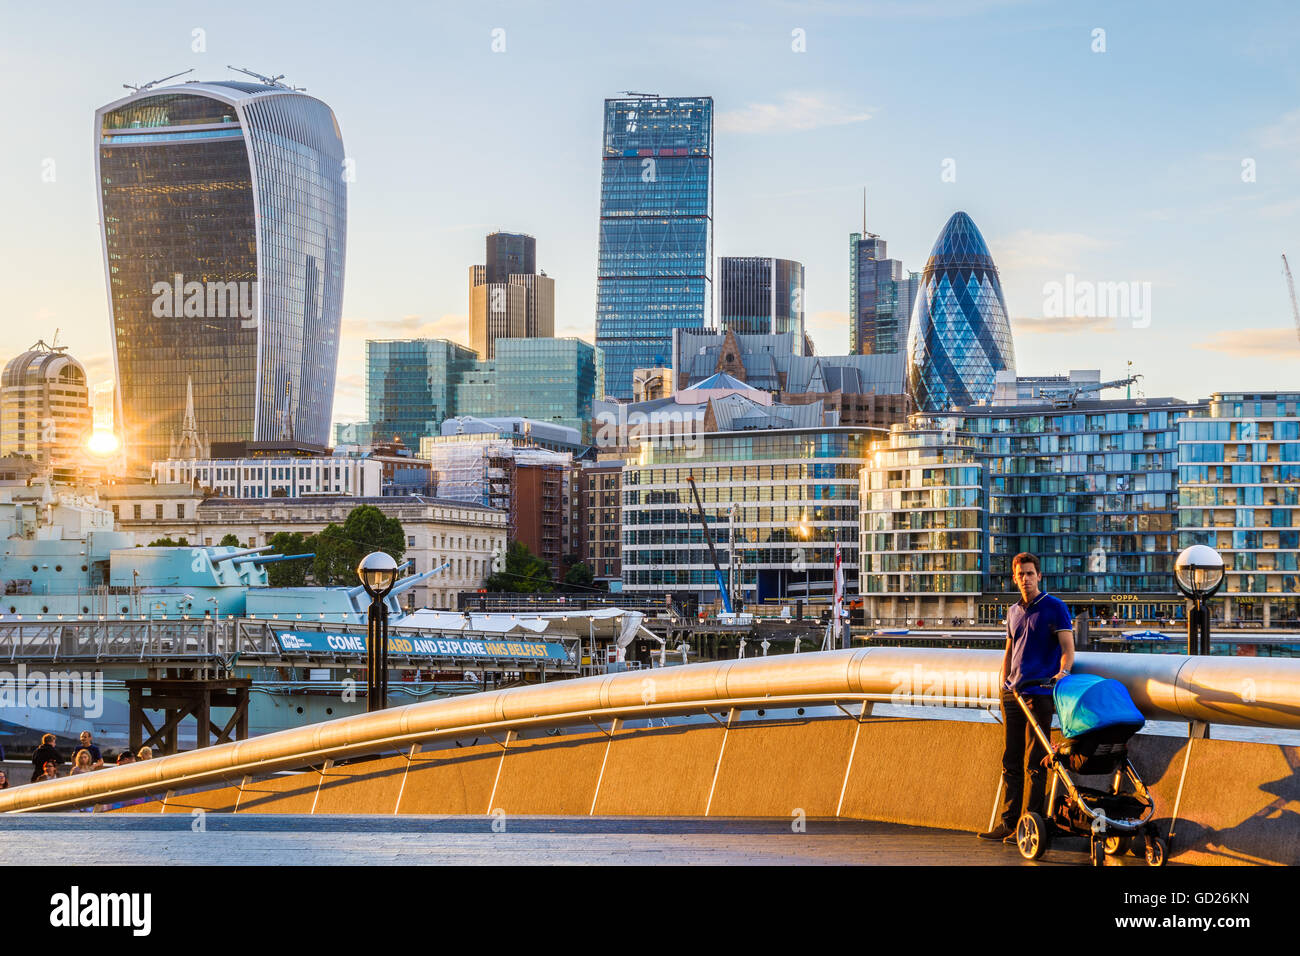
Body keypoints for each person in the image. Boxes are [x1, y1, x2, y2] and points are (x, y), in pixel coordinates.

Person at [979, 552, 1075, 844]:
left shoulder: (1055, 607)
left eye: (1030, 574)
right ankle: (1008, 823)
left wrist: (1063, 673)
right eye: (1020, 575)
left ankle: (1029, 825)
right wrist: (1004, 684)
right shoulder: (1012, 611)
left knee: (1036, 761)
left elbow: (1068, 648)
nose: (1025, 579)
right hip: (1013, 694)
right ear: (1014, 578)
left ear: (1039, 576)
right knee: (1011, 760)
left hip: (1040, 694)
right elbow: (1010, 649)